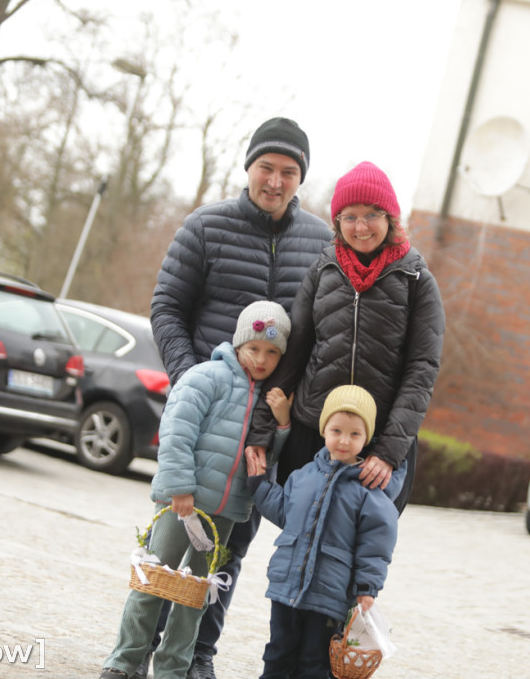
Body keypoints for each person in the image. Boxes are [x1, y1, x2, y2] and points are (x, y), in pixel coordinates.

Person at [149, 117, 331, 679]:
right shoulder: (205, 227)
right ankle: (140, 646)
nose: (275, 181)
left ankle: (197, 654)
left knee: (229, 548)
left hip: (265, 430)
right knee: (172, 544)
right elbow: (167, 309)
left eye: (289, 172)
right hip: (206, 420)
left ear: (301, 178)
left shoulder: (322, 243)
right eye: (266, 168)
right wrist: (189, 377)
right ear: (248, 167)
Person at [100, 301, 294, 679]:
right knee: (153, 582)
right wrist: (179, 488)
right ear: (239, 344)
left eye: (272, 353)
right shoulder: (205, 377)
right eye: (254, 349)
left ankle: (174, 668)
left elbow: (266, 460)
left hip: (221, 514)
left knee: (196, 594)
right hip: (182, 505)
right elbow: (176, 433)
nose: (261, 359)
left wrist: (283, 424)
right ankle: (124, 661)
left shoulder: (270, 400)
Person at [247, 161, 446, 511]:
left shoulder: (417, 281)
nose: (361, 226)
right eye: (349, 216)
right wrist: (262, 432)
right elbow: (293, 355)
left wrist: (387, 452)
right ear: (337, 222)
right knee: (300, 535)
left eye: (371, 214)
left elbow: (421, 371)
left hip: (376, 445)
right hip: (314, 435)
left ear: (390, 219)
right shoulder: (323, 270)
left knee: (357, 546)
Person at [245, 385, 398, 679]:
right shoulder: (303, 475)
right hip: (287, 585)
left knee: (314, 664)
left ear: (366, 438)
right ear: (324, 429)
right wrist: (259, 485)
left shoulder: (369, 491)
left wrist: (367, 588)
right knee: (278, 652)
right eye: (337, 430)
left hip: (330, 594)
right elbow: (285, 513)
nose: (344, 440)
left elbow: (376, 544)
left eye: (355, 434)